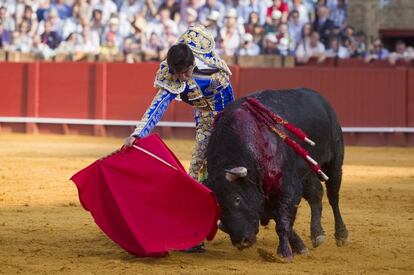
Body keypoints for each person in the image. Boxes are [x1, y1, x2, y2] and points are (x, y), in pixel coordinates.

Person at [124, 24, 234, 183]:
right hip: (205, 114)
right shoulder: (171, 73)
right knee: (198, 161)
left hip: (229, 106)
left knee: (234, 146)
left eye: (185, 72)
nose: (182, 77)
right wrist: (138, 133)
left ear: (192, 64)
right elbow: (158, 105)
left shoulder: (202, 51)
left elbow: (199, 29)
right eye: (178, 73)